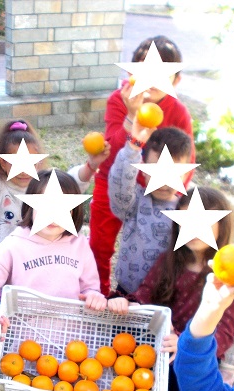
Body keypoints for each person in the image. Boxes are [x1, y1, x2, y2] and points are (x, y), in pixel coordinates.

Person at [0, 169, 124, 391]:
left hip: (78, 351)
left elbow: (90, 289)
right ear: (30, 206)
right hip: (33, 354)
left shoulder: (79, 245)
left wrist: (95, 297)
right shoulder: (14, 245)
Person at [108, 187, 234, 391]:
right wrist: (127, 302)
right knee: (126, 383)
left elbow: (225, 334)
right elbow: (145, 294)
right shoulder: (169, 260)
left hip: (196, 352)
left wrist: (185, 342)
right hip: (161, 343)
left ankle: (219, 377)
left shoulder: (231, 277)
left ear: (221, 225)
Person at [90, 35, 195, 295]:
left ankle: (144, 296)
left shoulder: (178, 111)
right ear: (131, 74)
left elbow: (187, 159)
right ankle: (98, 296)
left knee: (156, 247)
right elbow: (112, 152)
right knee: (99, 246)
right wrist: (131, 115)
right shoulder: (119, 100)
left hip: (157, 192)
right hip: (115, 181)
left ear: (176, 80)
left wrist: (170, 192)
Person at [0, 119, 109, 253]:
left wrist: (91, 165)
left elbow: (72, 182)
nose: (24, 171)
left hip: (34, 262)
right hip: (0, 263)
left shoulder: (44, 186)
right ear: (3, 163)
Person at [108, 126, 193, 295]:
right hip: (126, 292)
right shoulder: (135, 202)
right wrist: (132, 148)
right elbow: (119, 183)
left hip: (165, 296)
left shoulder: (187, 211)